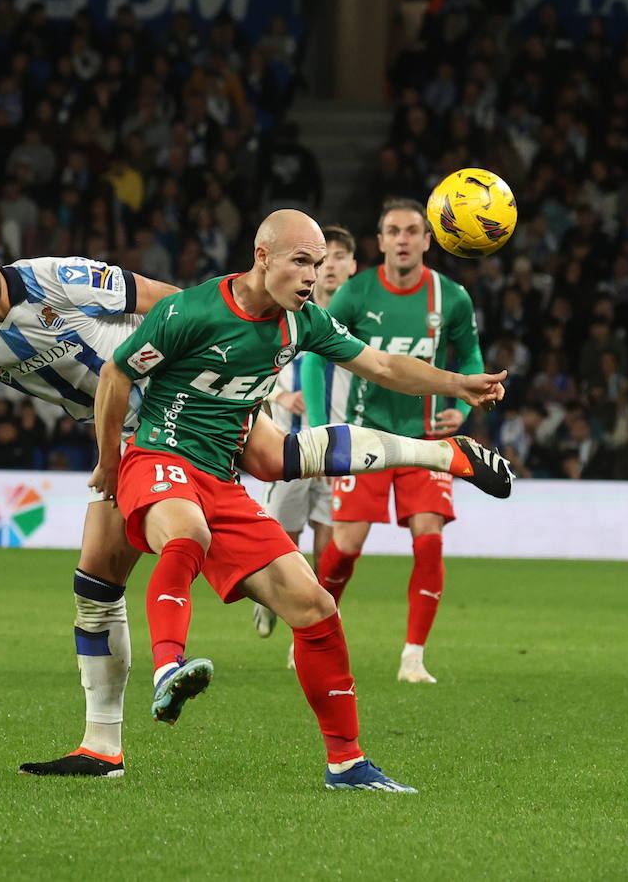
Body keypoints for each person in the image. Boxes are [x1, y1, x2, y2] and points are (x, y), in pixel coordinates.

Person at [0, 207, 510, 780]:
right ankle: (103, 744)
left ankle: (440, 459)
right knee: (104, 578)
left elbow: (166, 300)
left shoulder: (56, 278)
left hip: (178, 401)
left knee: (262, 466)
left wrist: (227, 344)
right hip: (133, 434)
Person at [90, 209, 507, 792]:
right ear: (263, 258)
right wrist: (109, 458)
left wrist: (456, 383)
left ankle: (348, 764)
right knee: (187, 533)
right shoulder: (192, 310)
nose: (313, 276)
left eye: (318, 263)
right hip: (158, 457)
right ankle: (168, 668)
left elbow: (383, 365)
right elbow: (115, 374)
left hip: (224, 477)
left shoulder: (302, 322)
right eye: (301, 262)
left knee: (315, 609)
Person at [310, 198, 489, 684]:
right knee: (345, 545)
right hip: (367, 436)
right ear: (381, 240)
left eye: (413, 231)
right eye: (394, 231)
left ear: (429, 240)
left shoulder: (450, 297)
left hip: (428, 438)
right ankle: (313, 633)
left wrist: (465, 402)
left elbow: (468, 354)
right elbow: (314, 354)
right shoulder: (356, 293)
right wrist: (317, 420)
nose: (404, 239)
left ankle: (413, 656)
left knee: (429, 541)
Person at [252, 225, 357, 644]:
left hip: (338, 449)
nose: (328, 268)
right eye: (320, 259)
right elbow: (255, 366)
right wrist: (280, 392)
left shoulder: (360, 319)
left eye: (336, 258)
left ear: (352, 266)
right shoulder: (288, 309)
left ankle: (316, 632)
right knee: (287, 542)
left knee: (331, 546)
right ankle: (270, 598)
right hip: (289, 446)